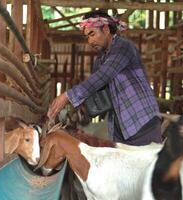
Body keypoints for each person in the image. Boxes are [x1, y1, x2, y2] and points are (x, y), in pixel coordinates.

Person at [47, 10, 162, 146]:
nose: (90, 41)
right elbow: (96, 89)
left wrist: (67, 96)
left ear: (106, 29)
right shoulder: (100, 60)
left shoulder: (123, 47)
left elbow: (102, 76)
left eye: (92, 34)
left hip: (141, 119)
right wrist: (75, 111)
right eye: (87, 37)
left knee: (148, 164)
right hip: (120, 125)